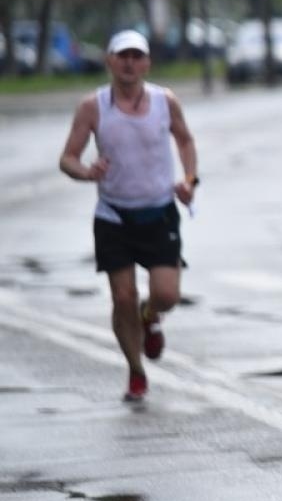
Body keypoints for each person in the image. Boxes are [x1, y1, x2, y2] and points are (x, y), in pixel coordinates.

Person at [57, 31, 199, 402]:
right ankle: (136, 371)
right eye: (123, 56)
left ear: (147, 63)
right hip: (114, 216)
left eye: (137, 56)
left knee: (167, 294)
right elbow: (67, 157)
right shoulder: (93, 106)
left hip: (159, 213)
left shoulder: (165, 101)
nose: (130, 63)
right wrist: (86, 171)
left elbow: (185, 140)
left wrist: (188, 181)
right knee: (122, 298)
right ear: (110, 61)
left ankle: (150, 316)